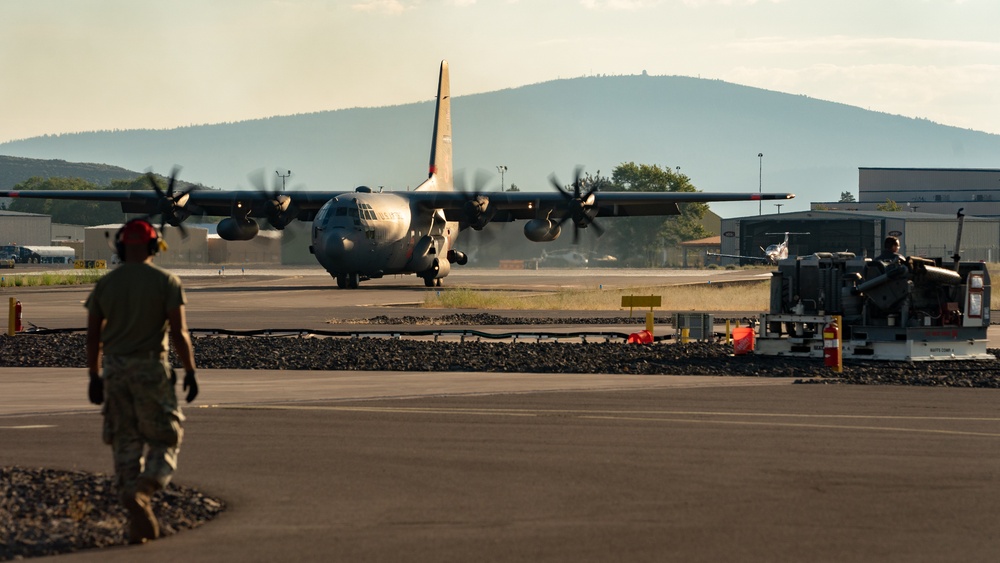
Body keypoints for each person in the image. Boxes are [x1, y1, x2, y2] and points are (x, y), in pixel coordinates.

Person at [85, 219, 198, 544]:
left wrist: (94, 376)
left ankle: (136, 518)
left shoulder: (106, 284)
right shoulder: (167, 282)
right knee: (164, 438)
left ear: (120, 248)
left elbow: (93, 337)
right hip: (151, 370)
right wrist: (190, 371)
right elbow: (179, 334)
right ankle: (145, 492)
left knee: (125, 442)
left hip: (116, 373)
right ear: (153, 248)